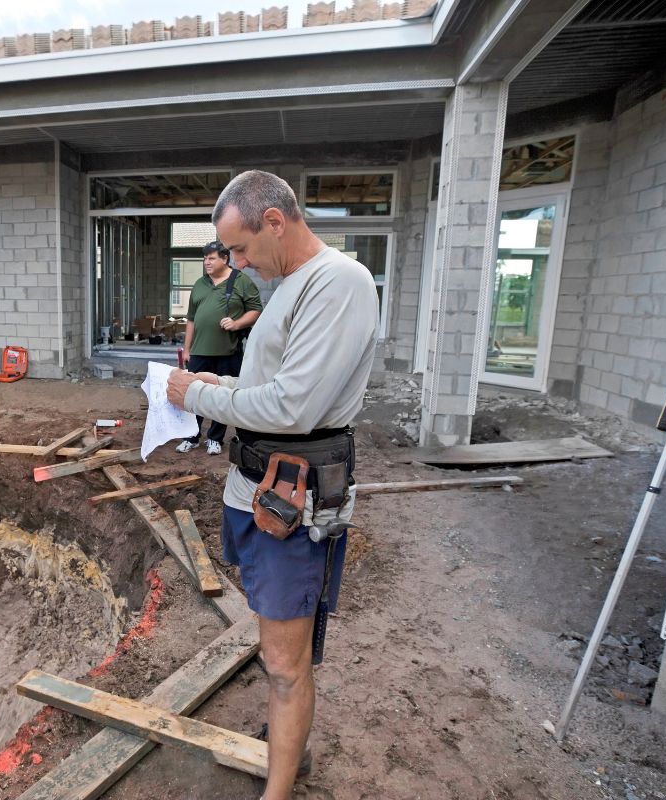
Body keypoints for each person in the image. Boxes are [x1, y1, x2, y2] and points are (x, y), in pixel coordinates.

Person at [167, 170, 379, 800]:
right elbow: (266, 387)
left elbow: (292, 409)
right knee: (279, 648)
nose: (236, 262)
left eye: (239, 248)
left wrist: (200, 391)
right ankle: (293, 740)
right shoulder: (288, 285)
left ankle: (279, 789)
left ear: (275, 222)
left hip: (294, 499)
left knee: (285, 663)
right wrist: (214, 388)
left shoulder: (338, 283)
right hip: (260, 492)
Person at [175, 239, 262, 456]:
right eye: (205, 258)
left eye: (211, 258)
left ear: (225, 258)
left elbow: (256, 310)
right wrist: (187, 349)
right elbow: (191, 320)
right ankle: (191, 436)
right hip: (199, 351)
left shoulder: (241, 281)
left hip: (228, 351)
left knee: (222, 395)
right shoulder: (200, 284)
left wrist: (237, 323)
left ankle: (215, 438)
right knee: (192, 392)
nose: (207, 262)